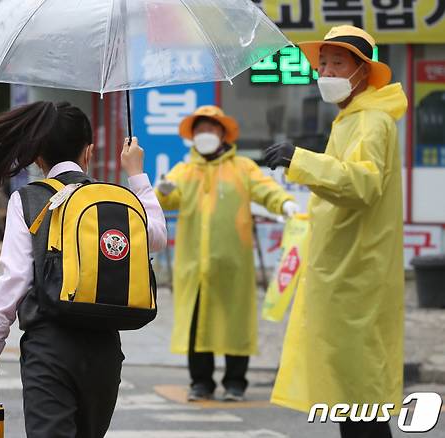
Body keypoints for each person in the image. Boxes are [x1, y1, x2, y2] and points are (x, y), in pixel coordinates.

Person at [0, 101, 166, 438]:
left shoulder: (28, 200)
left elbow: (16, 277)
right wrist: (136, 173)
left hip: (50, 347)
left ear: (37, 157)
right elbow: (157, 237)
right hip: (105, 347)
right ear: (88, 152)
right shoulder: (113, 201)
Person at [264, 26, 406, 438]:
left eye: (336, 62)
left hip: (356, 275)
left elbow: (361, 183)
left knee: (360, 400)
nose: (324, 70)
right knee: (349, 395)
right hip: (343, 272)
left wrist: (299, 159)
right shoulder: (351, 120)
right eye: (322, 62)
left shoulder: (372, 122)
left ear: (363, 71)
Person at [155, 105, 298, 402]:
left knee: (235, 323)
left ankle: (235, 382)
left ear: (223, 134)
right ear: (192, 136)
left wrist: (285, 204)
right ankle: (201, 382)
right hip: (194, 267)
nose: (205, 135)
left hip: (234, 265)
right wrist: (165, 191)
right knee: (197, 325)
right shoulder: (184, 170)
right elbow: (168, 200)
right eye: (200, 130)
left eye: (211, 129)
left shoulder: (242, 168)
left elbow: (266, 191)